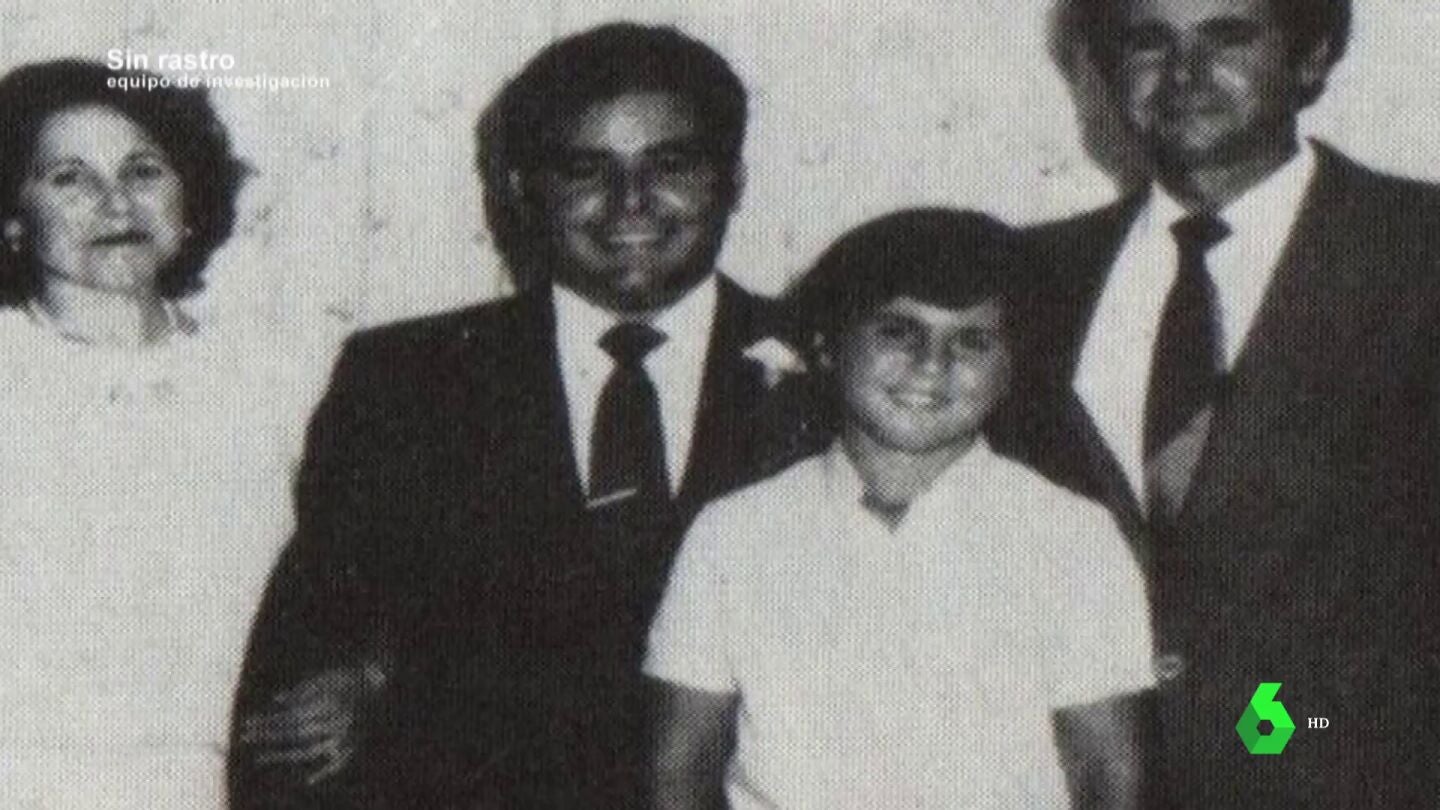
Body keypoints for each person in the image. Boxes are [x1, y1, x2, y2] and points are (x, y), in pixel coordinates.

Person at [230, 22, 824, 808]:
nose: (631, 203)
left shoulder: (841, 372)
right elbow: (305, 686)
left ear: (733, 180)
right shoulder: (406, 379)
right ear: (521, 189)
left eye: (671, 165)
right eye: (585, 170)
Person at [1021, 1, 1440, 805]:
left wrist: (1298, 732)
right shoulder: (1036, 278)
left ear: (1311, 55)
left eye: (1228, 35)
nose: (1184, 74)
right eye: (1148, 41)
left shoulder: (1420, 251)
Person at [646, 209, 1154, 810]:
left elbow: (1106, 772)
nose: (932, 364)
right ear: (826, 346)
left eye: (972, 341)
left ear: (1011, 369)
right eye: (898, 331)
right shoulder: (734, 532)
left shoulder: (1071, 536)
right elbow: (680, 767)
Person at [0, 59, 326, 807]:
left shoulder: (278, 380)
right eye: (70, 179)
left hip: (213, 782)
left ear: (188, 200)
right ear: (12, 216)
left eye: (142, 170)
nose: (116, 202)